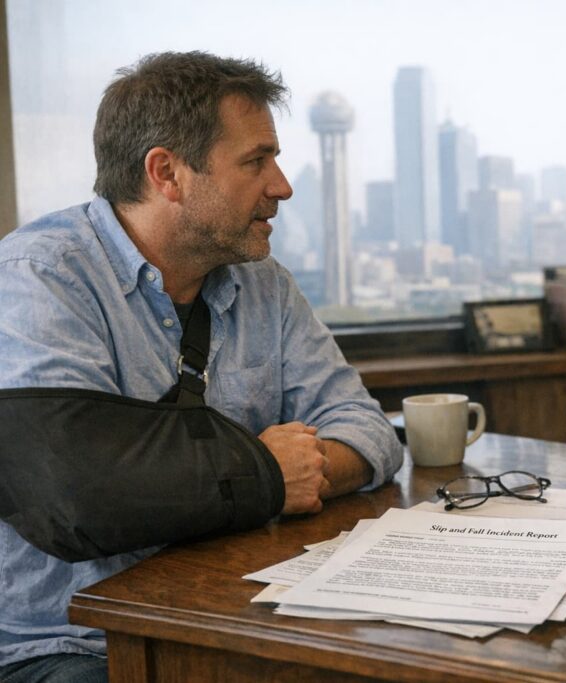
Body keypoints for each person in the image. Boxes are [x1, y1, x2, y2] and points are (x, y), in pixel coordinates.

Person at [0, 52, 403, 682]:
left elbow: (368, 430)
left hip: (237, 618)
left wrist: (301, 469)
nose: (282, 186)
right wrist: (265, 473)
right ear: (167, 173)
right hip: (73, 645)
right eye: (256, 161)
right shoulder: (38, 277)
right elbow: (73, 494)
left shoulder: (265, 284)